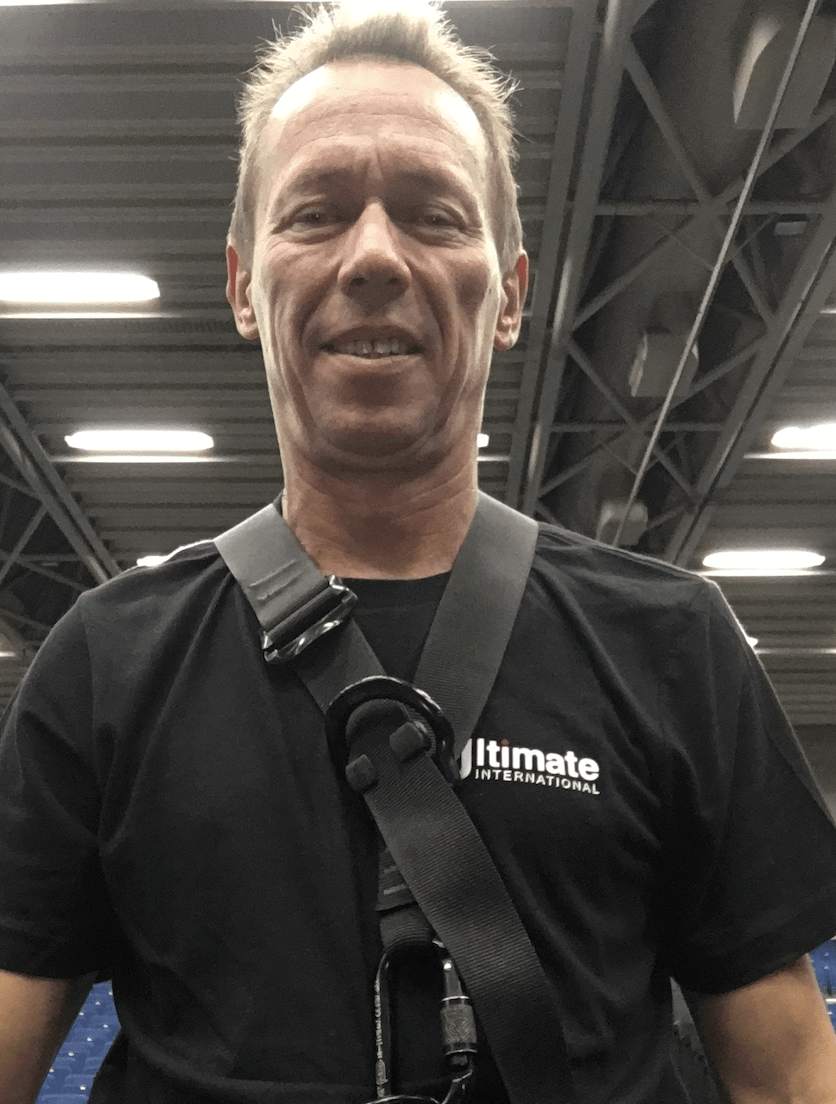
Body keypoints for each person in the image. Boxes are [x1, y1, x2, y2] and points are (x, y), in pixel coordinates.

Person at [1, 3, 836, 1102]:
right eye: (316, 213)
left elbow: (786, 1073)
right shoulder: (107, 663)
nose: (373, 256)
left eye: (434, 215)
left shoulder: (672, 645)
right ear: (244, 284)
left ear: (510, 294)